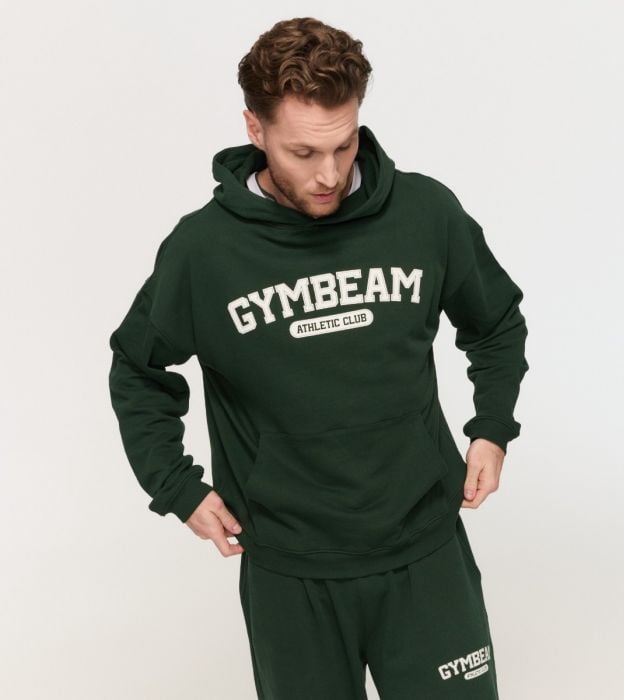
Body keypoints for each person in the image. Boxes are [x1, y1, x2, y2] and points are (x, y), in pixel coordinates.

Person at [108, 16, 529, 700]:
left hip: (424, 550)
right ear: (255, 130)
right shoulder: (203, 252)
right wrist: (176, 486)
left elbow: (496, 321)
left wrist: (492, 427)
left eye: (344, 144)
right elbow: (138, 368)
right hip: (290, 571)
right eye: (303, 152)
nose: (328, 174)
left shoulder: (425, 213)